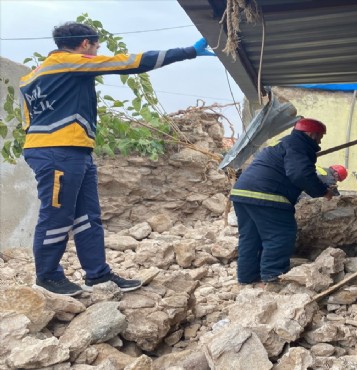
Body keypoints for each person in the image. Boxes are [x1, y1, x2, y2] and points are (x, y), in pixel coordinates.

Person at [19, 22, 215, 296]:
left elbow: (28, 122)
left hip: (71, 150)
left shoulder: (29, 79)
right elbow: (130, 62)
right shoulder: (69, 63)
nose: (98, 51)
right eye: (96, 45)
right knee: (57, 215)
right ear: (85, 44)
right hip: (58, 152)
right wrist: (188, 52)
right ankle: (48, 276)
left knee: (89, 216)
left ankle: (97, 275)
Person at [229, 118, 335, 284]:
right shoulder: (298, 146)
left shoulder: (283, 144)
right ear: (311, 134)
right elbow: (300, 174)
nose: (320, 141)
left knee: (250, 237)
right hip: (267, 194)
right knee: (280, 234)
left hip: (242, 192)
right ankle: (273, 276)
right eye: (320, 137)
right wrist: (322, 191)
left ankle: (247, 277)